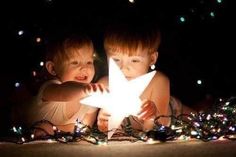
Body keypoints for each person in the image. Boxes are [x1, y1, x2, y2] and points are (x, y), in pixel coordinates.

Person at [97, 19, 195, 133]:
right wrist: (103, 123)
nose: (123, 67)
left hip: (175, 112)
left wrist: (152, 115)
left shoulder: (158, 81)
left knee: (200, 119)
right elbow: (110, 129)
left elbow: (158, 126)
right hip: (135, 131)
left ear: (152, 58)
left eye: (134, 60)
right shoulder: (104, 86)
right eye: (116, 59)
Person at [27, 34, 106, 135]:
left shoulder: (91, 98)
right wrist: (85, 89)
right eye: (75, 63)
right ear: (52, 68)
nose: (84, 68)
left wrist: (54, 129)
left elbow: (85, 129)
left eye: (89, 62)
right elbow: (64, 92)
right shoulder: (51, 88)